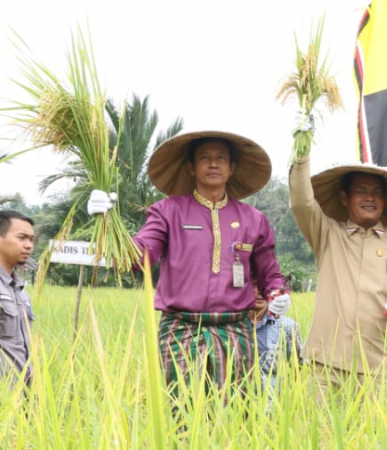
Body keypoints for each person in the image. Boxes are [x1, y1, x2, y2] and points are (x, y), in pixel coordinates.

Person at [89, 131, 290, 395]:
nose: (214, 163)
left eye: (221, 158)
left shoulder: (253, 219)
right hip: (180, 328)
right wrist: (107, 224)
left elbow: (269, 271)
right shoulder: (168, 211)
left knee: (235, 412)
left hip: (235, 329)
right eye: (204, 157)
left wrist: (277, 294)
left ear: (232, 168)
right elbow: (140, 257)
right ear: (191, 167)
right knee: (182, 409)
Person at [288, 154, 387, 402]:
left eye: (376, 192)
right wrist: (300, 157)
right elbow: (301, 203)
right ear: (345, 198)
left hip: (381, 366)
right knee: (318, 437)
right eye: (360, 191)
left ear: (384, 200)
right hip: (326, 364)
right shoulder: (328, 234)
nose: (369, 198)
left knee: (379, 439)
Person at [0, 211, 35, 390]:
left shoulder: (21, 291)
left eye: (31, 239)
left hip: (23, 394)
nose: (28, 245)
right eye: (22, 238)